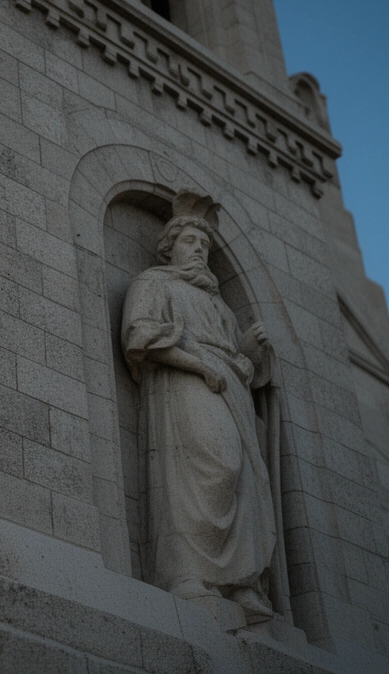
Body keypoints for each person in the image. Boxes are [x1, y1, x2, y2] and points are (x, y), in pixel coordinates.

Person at [120, 191, 276, 621]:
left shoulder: (218, 304)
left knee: (244, 478)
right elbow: (140, 335)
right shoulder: (153, 283)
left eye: (204, 245)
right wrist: (200, 365)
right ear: (170, 247)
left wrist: (248, 353)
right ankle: (187, 574)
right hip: (186, 383)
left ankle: (241, 584)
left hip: (230, 389)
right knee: (215, 466)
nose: (199, 250)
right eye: (190, 241)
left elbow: (239, 361)